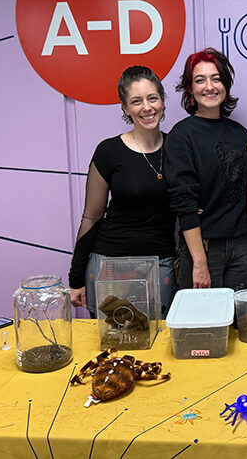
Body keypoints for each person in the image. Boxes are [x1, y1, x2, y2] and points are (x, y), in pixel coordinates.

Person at [68, 66, 176, 318]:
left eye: (152, 98)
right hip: (109, 263)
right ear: (126, 108)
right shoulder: (109, 151)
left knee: (158, 345)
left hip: (159, 263)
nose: (147, 108)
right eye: (136, 102)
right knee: (111, 349)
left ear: (162, 100)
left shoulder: (178, 147)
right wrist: (76, 278)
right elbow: (91, 217)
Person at [163, 48, 247, 290]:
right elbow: (184, 202)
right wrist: (199, 262)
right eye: (200, 80)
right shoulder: (181, 136)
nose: (209, 86)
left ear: (225, 84)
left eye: (216, 78)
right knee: (203, 325)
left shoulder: (239, 133)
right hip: (204, 247)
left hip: (243, 247)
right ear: (190, 89)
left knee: (241, 324)